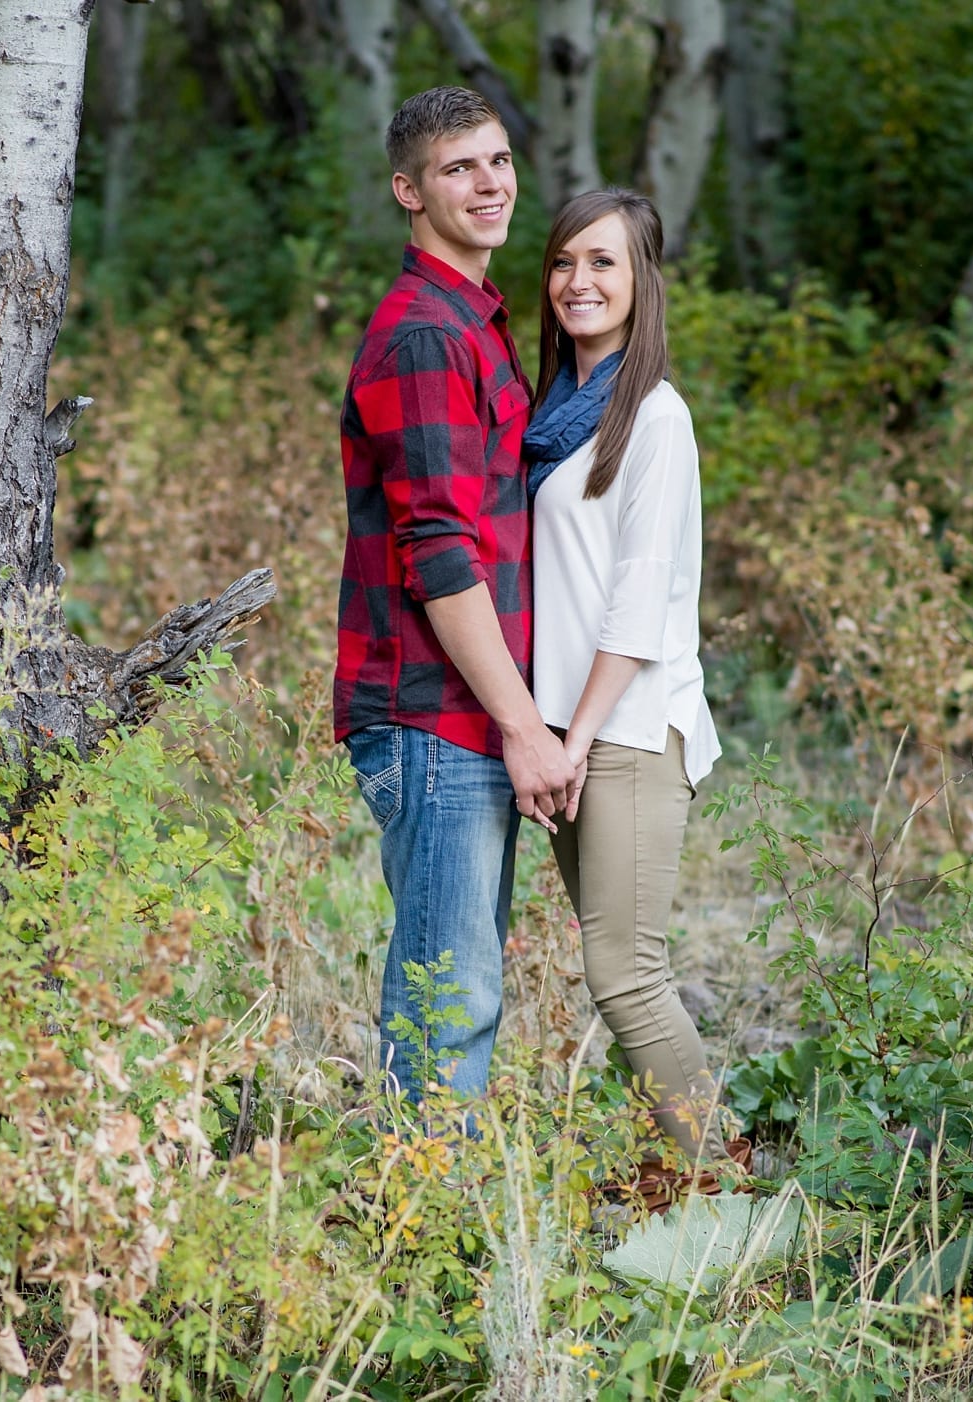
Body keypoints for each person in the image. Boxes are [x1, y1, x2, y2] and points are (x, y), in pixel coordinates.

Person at [334, 87, 576, 1101]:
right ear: (408, 190)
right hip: (440, 716)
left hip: (466, 715)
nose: (488, 183)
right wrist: (523, 724)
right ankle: (420, 1246)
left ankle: (434, 1225)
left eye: (499, 160)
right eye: (457, 167)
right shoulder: (426, 335)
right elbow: (439, 552)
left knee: (462, 986)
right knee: (447, 997)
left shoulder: (472, 321)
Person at [524, 188, 725, 1169]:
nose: (579, 282)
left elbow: (639, 610)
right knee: (618, 974)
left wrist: (570, 740)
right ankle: (669, 1190)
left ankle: (724, 1205)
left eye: (603, 262)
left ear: (644, 281)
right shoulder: (555, 412)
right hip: (571, 729)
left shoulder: (656, 417)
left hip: (631, 731)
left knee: (627, 976)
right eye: (564, 262)